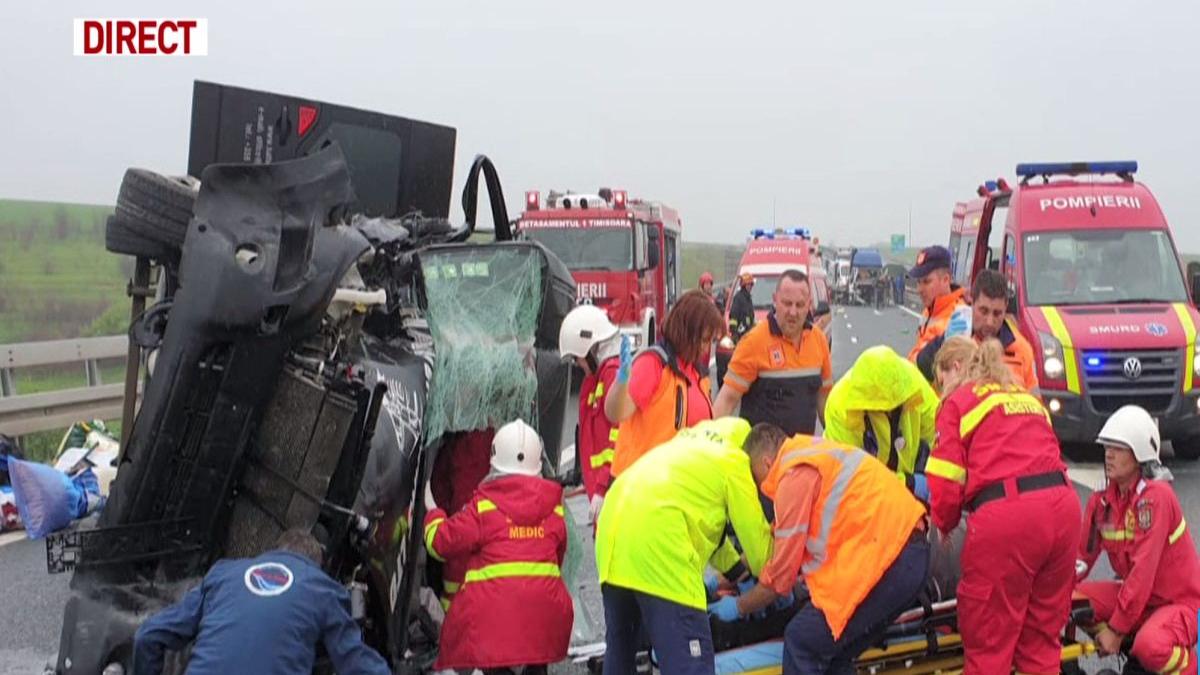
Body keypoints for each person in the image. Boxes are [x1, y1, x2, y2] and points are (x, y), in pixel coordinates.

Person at [714, 424, 930, 674]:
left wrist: (738, 606)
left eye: (754, 479)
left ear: (765, 463)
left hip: (887, 562)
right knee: (832, 657)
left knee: (801, 641)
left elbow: (779, 580)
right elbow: (777, 541)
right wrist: (726, 575)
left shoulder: (792, 475)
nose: (759, 489)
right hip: (905, 556)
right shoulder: (816, 455)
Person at [926, 337, 1080, 674]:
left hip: (1010, 517)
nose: (940, 391)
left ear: (955, 369)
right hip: (1064, 509)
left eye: (939, 382)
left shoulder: (956, 402)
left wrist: (944, 525)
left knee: (989, 645)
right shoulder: (1025, 399)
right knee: (1040, 643)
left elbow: (945, 482)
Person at [595, 418, 773, 675]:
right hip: (660, 547)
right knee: (691, 663)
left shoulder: (688, 446)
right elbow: (762, 556)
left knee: (622, 653)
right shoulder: (735, 462)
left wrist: (740, 576)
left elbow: (711, 531)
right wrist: (767, 584)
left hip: (613, 537)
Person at [423, 419, 572, 675]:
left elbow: (440, 543)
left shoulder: (484, 507)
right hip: (547, 621)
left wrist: (433, 511)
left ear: (494, 462)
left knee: (495, 648)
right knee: (533, 655)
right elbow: (555, 562)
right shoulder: (554, 509)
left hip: (492, 626)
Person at [133, 529, 390, 675]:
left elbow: (148, 635)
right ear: (316, 565)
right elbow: (356, 663)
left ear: (274, 551)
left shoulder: (224, 573)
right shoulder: (323, 589)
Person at [1076, 405, 1200, 674]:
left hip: (1174, 603)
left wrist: (1116, 629)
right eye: (1107, 447)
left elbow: (1142, 573)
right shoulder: (1102, 501)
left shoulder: (1156, 499)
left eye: (1118, 448)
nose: (1108, 454)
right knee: (1066, 603)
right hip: (1137, 599)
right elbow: (1080, 559)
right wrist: (1047, 595)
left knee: (1150, 647)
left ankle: (1187, 664)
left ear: (1140, 454)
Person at [606, 290, 722, 477]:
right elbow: (616, 413)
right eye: (704, 340)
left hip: (676, 482)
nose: (707, 348)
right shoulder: (653, 364)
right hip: (641, 484)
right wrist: (621, 383)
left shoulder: (697, 373)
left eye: (710, 341)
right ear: (687, 332)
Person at [714, 269, 832, 436]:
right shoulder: (753, 342)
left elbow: (825, 401)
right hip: (764, 459)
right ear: (775, 300)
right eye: (787, 303)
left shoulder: (818, 340)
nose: (793, 312)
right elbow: (727, 400)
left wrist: (838, 447)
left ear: (809, 304)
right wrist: (708, 443)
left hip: (802, 456)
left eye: (799, 305)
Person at [822, 346, 937, 496]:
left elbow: (938, 433)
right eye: (882, 409)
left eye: (895, 406)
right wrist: (909, 484)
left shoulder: (912, 384)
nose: (890, 413)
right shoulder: (841, 406)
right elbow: (853, 478)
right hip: (859, 498)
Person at [915, 269, 1037, 392]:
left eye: (997, 313)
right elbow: (918, 370)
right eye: (983, 311)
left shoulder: (1021, 350)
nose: (990, 321)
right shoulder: (946, 331)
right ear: (972, 302)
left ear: (1006, 308)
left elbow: (1034, 402)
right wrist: (942, 343)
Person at [559, 304, 622, 527]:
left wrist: (603, 487)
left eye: (578, 357)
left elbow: (618, 436)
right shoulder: (596, 379)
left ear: (590, 348)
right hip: (601, 490)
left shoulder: (611, 375)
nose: (578, 364)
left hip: (614, 492)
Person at [906, 245, 967, 362]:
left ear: (946, 280)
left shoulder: (958, 316)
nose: (920, 289)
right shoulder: (928, 310)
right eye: (918, 282)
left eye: (926, 282)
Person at [728, 273, 756, 343]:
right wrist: (734, 333)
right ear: (744, 285)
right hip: (740, 335)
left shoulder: (748, 298)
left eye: (751, 285)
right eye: (748, 285)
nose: (750, 287)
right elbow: (733, 316)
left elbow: (750, 316)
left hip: (748, 334)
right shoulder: (738, 298)